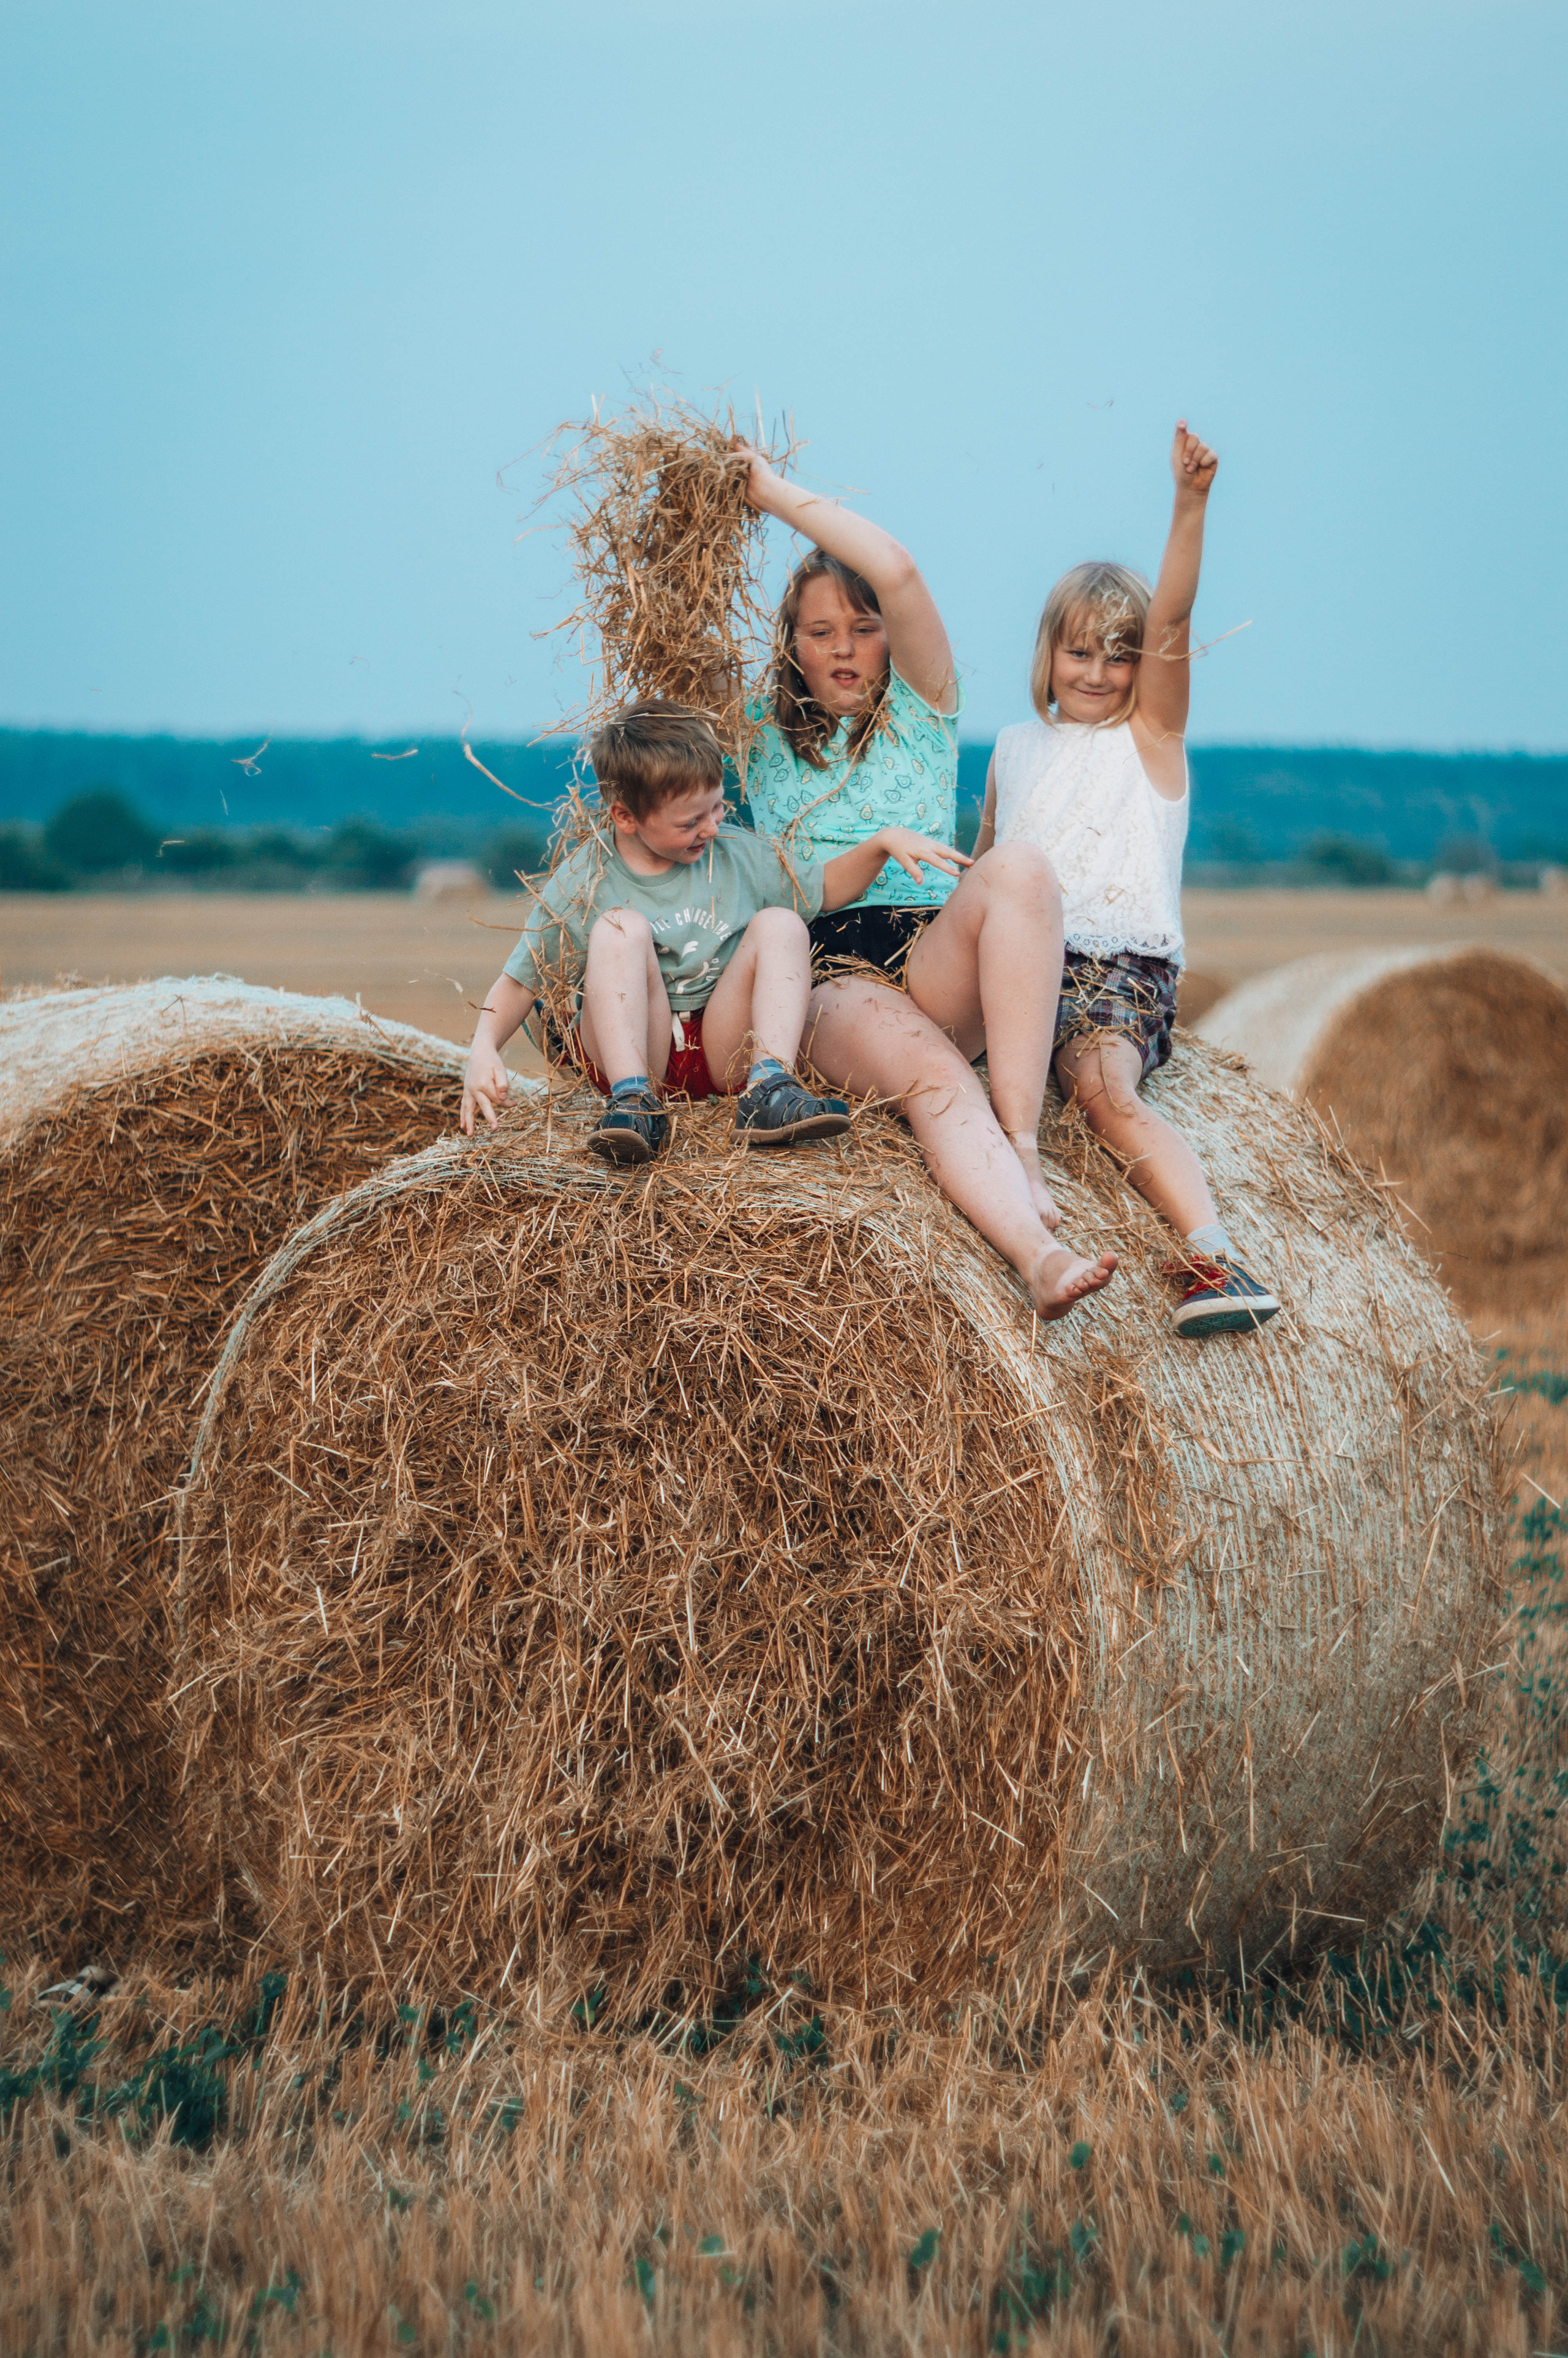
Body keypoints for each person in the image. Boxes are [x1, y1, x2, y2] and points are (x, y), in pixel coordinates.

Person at [460, 698, 1118, 1323]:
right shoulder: (587, 875)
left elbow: (823, 886)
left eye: (716, 810)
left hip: (720, 1046)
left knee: (779, 924)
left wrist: (882, 843)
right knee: (618, 931)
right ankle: (633, 1103)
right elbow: (521, 979)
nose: (710, 830)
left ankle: (768, 1087)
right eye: (690, 822)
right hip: (639, 1043)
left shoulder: (736, 855)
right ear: (625, 816)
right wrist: (483, 1049)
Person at [975, 421, 1279, 1340]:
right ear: (1046, 658)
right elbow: (987, 864)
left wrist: (1189, 504)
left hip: (1119, 969)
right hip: (1023, 966)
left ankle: (1212, 1253)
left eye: (1120, 654)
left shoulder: (1151, 742)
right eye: (1080, 652)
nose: (1100, 672)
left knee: (1102, 1091)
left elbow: (1177, 622)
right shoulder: (1013, 748)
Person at [737, 445, 1072, 1236]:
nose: (845, 646)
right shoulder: (751, 734)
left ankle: (1021, 1141)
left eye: (864, 627)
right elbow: (670, 644)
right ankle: (1033, 1248)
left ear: (891, 638)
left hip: (932, 951)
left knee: (1019, 868)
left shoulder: (923, 712)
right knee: (932, 1071)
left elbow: (898, 569)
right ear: (793, 646)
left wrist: (770, 493)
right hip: (829, 968)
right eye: (822, 631)